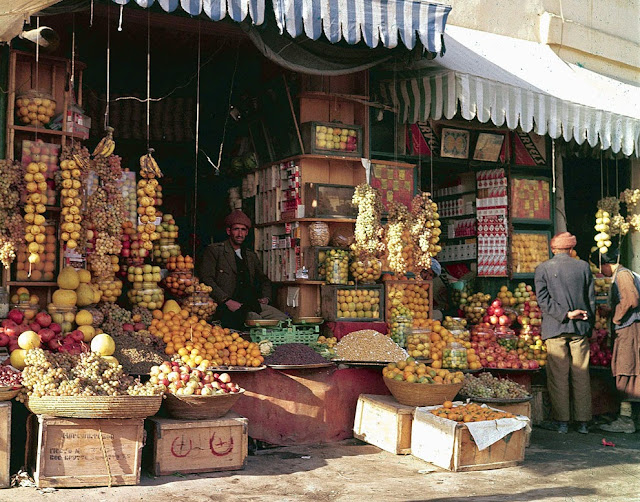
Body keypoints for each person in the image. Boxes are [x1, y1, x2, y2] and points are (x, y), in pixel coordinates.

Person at [535, 231, 595, 434]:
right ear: (571, 249)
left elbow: (543, 302)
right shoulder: (583, 267)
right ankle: (584, 422)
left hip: (555, 327)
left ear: (553, 249)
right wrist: (587, 321)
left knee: (558, 375)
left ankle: (562, 422)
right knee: (581, 373)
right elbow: (591, 299)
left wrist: (566, 314)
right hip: (579, 328)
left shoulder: (543, 268)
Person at [200, 210, 287, 330]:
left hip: (252, 304)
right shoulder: (215, 251)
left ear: (247, 233)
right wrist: (226, 300)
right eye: (236, 229)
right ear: (228, 231)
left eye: (243, 230)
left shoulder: (250, 255)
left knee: (284, 320)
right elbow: (207, 279)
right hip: (227, 307)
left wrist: (266, 298)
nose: (240, 234)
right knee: (258, 323)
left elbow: (263, 280)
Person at [595, 249, 640, 433]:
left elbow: (632, 299)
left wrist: (616, 318)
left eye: (601, 267)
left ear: (606, 264)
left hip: (629, 329)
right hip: (629, 328)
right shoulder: (625, 274)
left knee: (626, 368)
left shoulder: (622, 275)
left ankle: (626, 419)